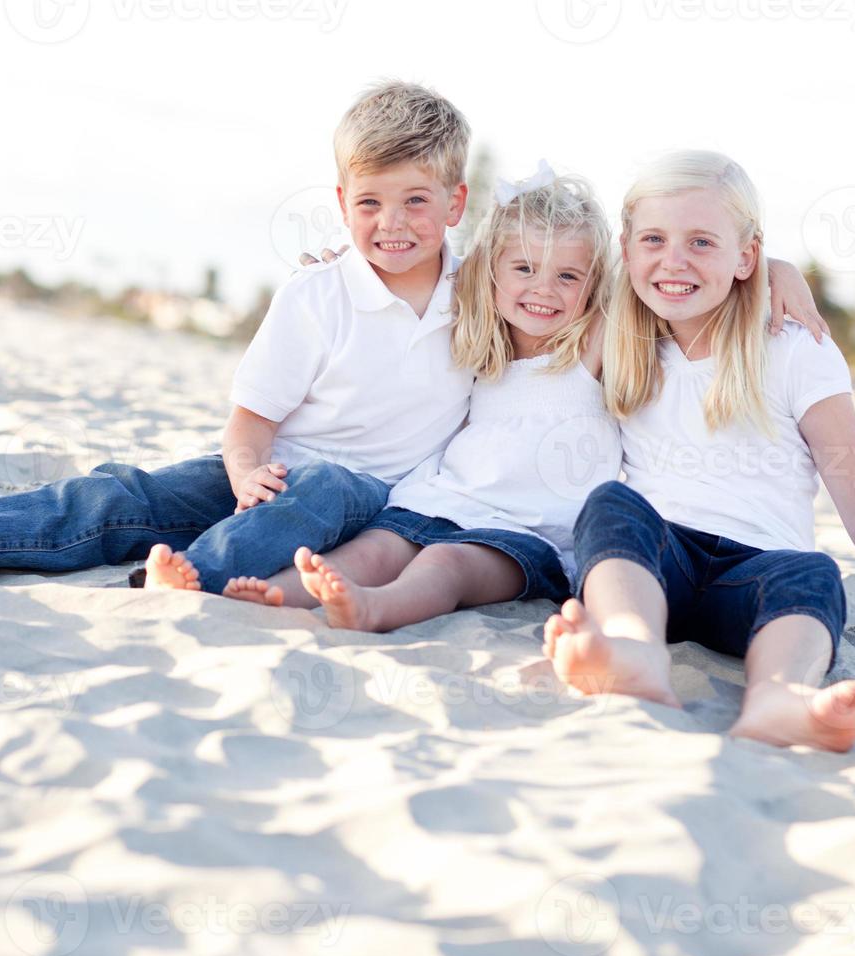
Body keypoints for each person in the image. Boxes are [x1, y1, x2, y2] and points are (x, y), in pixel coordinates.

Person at [0, 80, 475, 593]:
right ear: (341, 204)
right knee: (125, 495)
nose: (393, 222)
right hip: (270, 480)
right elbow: (248, 426)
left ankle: (189, 573)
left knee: (327, 484)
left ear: (455, 204)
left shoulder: (481, 299)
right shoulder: (318, 293)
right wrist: (245, 478)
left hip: (376, 503)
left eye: (416, 200)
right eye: (369, 203)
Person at [543, 150, 855, 753]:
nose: (673, 261)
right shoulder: (619, 332)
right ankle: (633, 653)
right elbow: (512, 281)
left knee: (816, 573)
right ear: (626, 247)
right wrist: (771, 265)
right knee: (612, 506)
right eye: (653, 239)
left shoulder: (794, 349)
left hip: (759, 579)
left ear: (745, 255)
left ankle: (777, 699)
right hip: (656, 567)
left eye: (702, 242)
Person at [224, 166, 618, 630]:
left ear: (593, 285)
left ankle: (374, 609)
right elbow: (409, 272)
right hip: (444, 497)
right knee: (372, 552)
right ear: (492, 270)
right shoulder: (480, 336)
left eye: (568, 276)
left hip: (528, 532)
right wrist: (347, 266)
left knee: (445, 566)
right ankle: (275, 595)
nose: (543, 290)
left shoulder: (594, 345)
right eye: (525, 268)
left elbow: (640, 280)